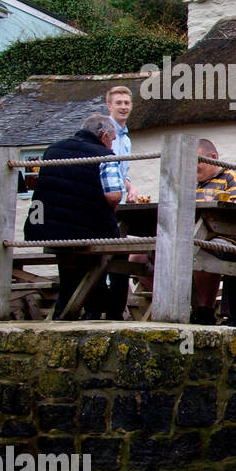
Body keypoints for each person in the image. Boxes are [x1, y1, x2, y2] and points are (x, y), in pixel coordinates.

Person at [24, 114, 123, 319]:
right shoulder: (103, 155)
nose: (112, 145)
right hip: (87, 230)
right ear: (104, 135)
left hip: (47, 229)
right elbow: (113, 196)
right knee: (119, 254)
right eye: (112, 139)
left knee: (71, 260)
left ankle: (66, 311)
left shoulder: (52, 150)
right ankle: (112, 312)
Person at [191, 139, 236, 325]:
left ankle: (206, 309)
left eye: (197, 162)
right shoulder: (191, 183)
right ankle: (191, 304)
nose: (194, 167)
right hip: (194, 236)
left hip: (227, 239)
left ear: (213, 158)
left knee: (200, 250)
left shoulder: (232, 177)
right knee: (142, 257)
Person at [103, 85, 135, 320]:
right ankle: (109, 308)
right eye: (119, 103)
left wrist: (130, 186)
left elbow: (121, 171)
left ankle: (116, 308)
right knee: (110, 254)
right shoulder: (105, 134)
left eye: (126, 103)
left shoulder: (126, 139)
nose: (123, 107)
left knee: (119, 253)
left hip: (120, 203)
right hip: (106, 202)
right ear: (109, 106)